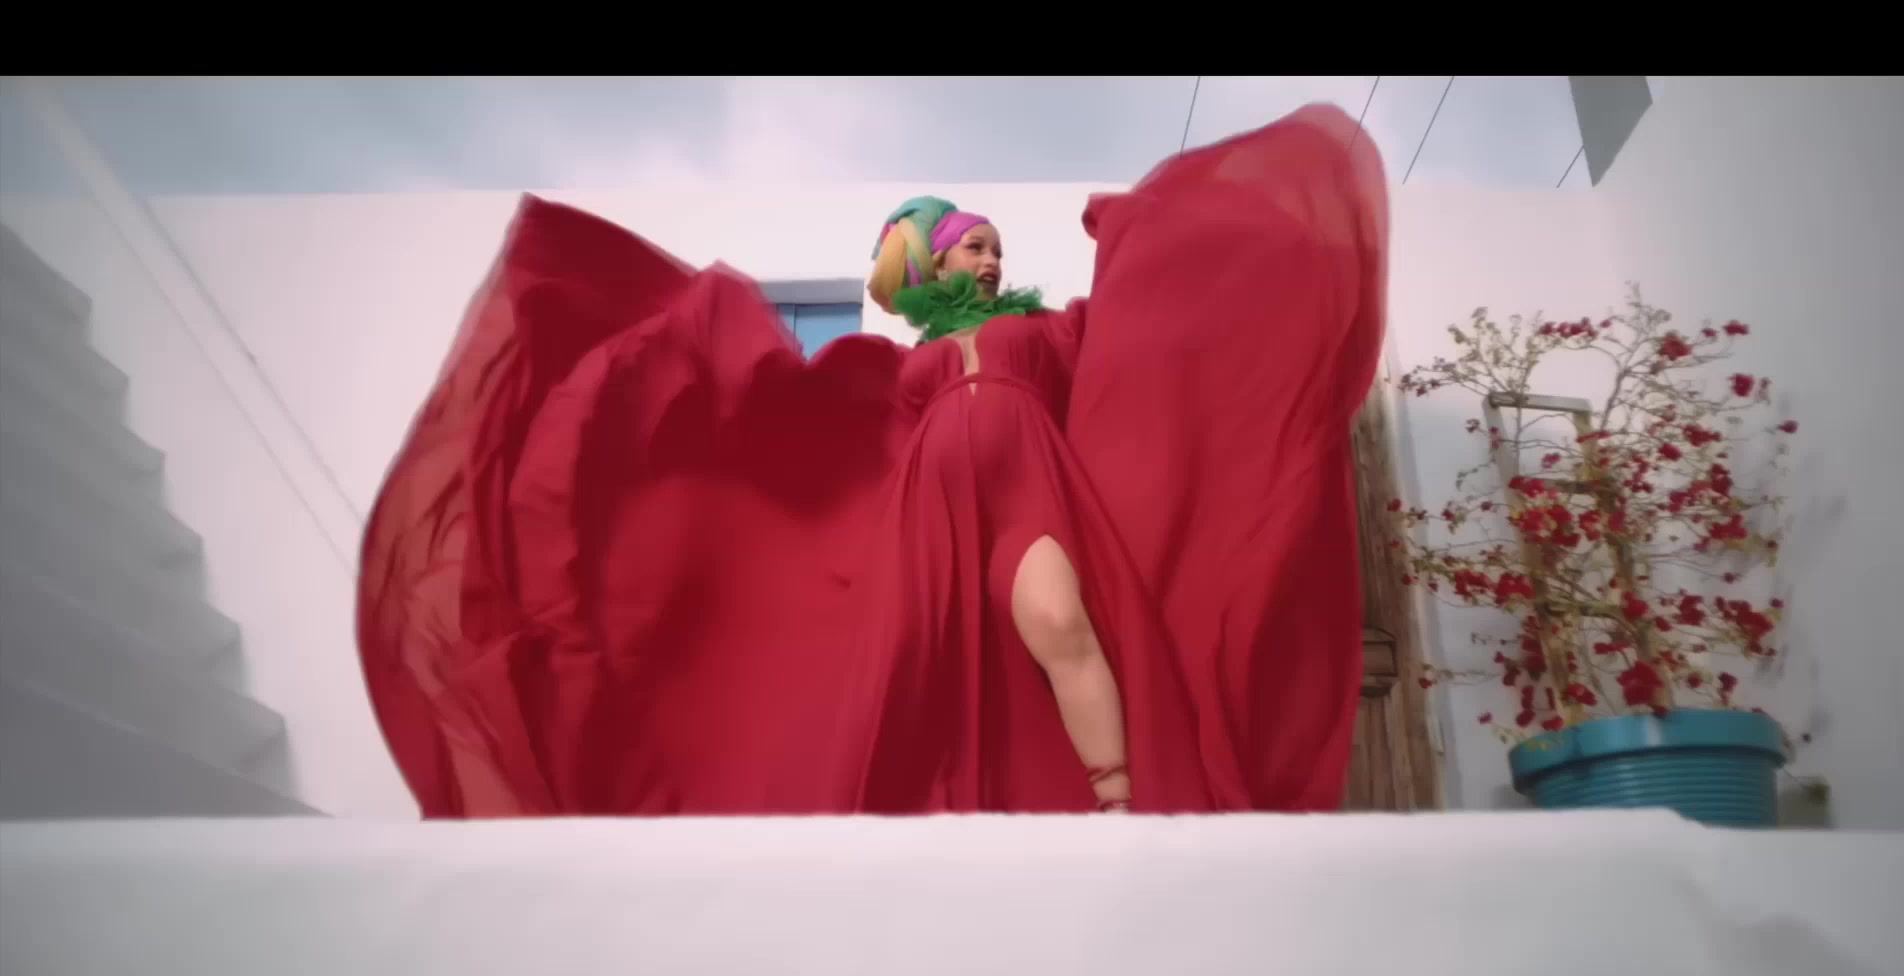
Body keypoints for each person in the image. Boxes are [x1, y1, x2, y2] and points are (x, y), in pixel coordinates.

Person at [356, 103, 1389, 819]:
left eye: (996, 247)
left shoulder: (1046, 333)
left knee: (1058, 621)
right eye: (972, 246)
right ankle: (880, 816)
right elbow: (832, 419)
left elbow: (1137, 337)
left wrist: (1145, 234)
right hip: (932, 509)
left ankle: (1120, 801)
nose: (991, 258)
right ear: (929, 260)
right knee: (906, 658)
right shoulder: (913, 359)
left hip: (1028, 490)